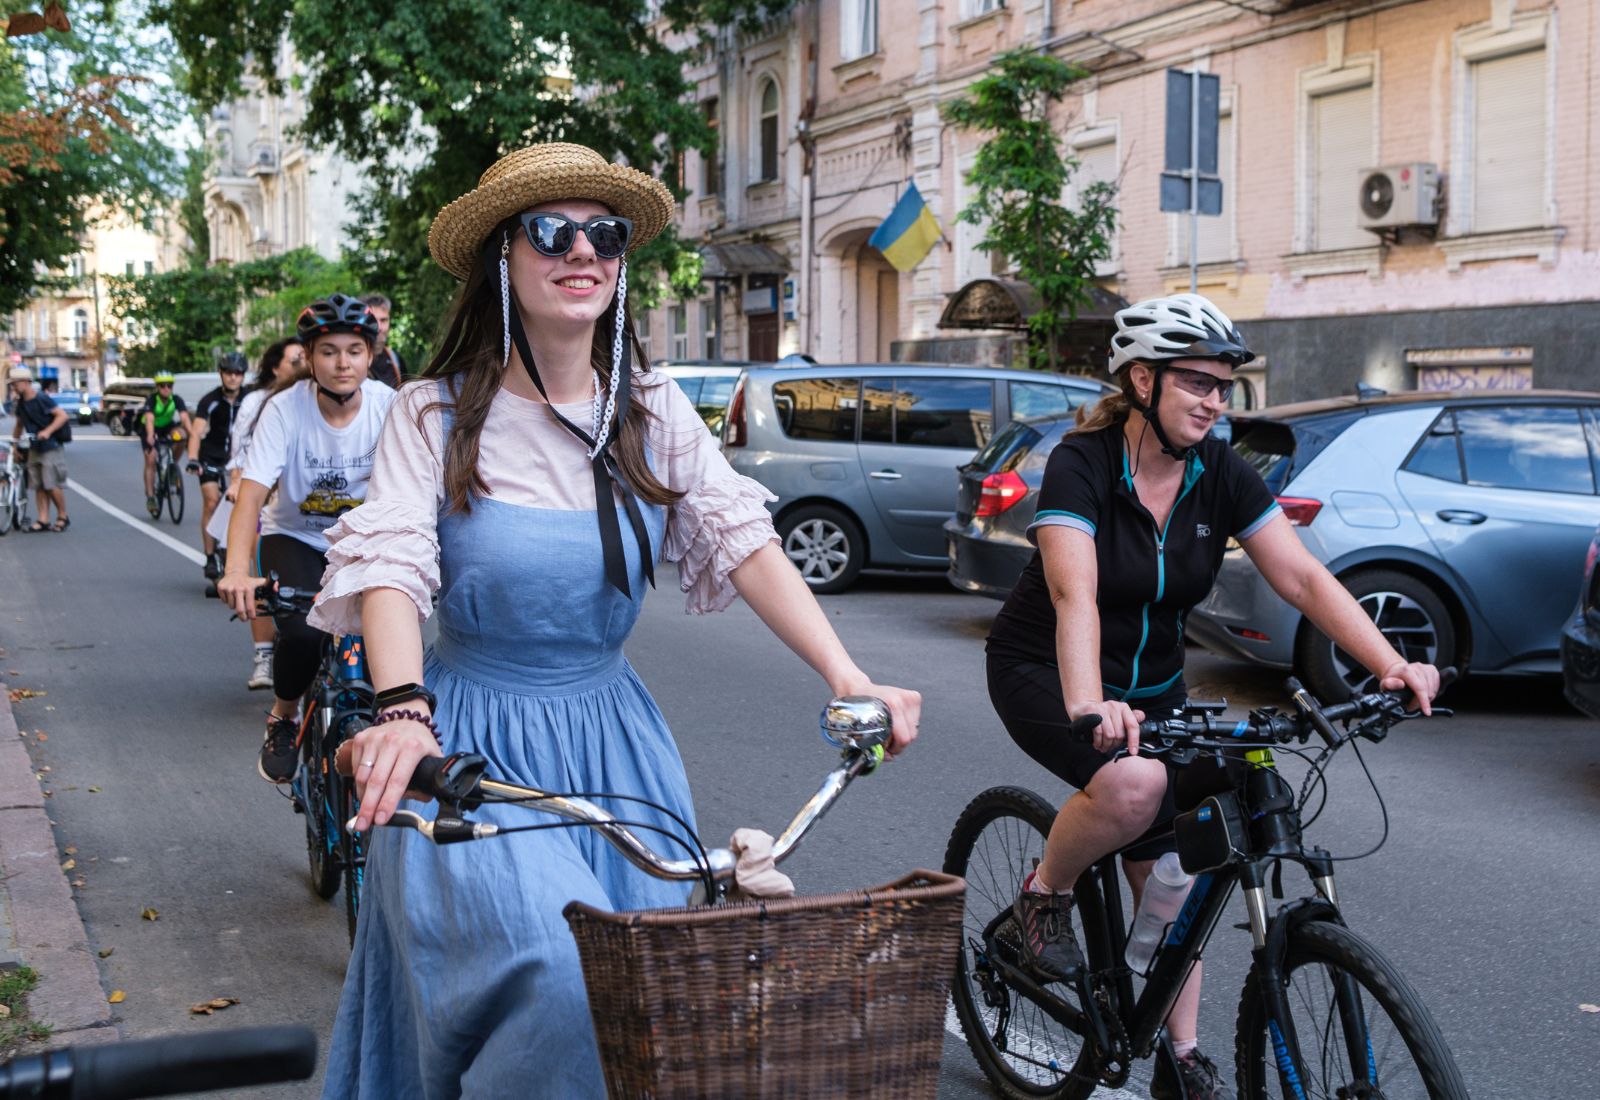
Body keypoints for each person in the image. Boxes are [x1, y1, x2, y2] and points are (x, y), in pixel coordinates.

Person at [303, 142, 922, 1098]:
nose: (580, 248)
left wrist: (849, 678)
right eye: (551, 230)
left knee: (654, 999)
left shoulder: (652, 408)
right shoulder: (431, 415)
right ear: (502, 259)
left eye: (605, 232)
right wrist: (402, 711)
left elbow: (746, 544)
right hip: (467, 749)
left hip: (617, 743)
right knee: (556, 978)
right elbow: (390, 569)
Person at [985, 293, 1442, 1100]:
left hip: (1157, 688)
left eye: (1226, 385)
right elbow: (1074, 594)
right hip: (1048, 672)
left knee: (1192, 841)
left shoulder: (1220, 473)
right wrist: (1091, 702)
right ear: (1141, 381)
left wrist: (1390, 662)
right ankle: (1041, 899)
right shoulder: (1082, 463)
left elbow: (1299, 575)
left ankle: (1179, 1050)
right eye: (1195, 381)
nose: (1214, 400)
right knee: (1134, 785)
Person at [217, 297, 395, 779]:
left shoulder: (389, 406)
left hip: (363, 539)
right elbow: (251, 496)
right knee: (300, 631)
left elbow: (423, 491)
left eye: (354, 350)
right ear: (310, 358)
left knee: (391, 644)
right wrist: (236, 570)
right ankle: (284, 713)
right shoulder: (284, 409)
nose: (343, 363)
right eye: (330, 351)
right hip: (295, 536)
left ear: (370, 354)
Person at [215, 338, 307, 690]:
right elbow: (242, 454)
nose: (302, 366)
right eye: (296, 360)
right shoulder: (260, 402)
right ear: (277, 367)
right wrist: (238, 483)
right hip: (271, 501)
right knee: (265, 577)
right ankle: (265, 653)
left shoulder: (365, 401)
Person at [187, 352, 248, 582]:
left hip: (239, 460)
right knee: (211, 501)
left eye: (238, 374)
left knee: (241, 506)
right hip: (211, 457)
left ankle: (235, 559)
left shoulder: (250, 398)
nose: (233, 378)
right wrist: (193, 458)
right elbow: (196, 431)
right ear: (221, 374)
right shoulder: (209, 400)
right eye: (228, 373)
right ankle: (210, 555)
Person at [6, 365, 70, 531]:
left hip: (51, 446)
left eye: (15, 383)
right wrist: (14, 445)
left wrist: (47, 432)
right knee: (38, 485)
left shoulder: (41, 398)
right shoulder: (20, 402)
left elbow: (62, 415)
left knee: (52, 483)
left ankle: (63, 516)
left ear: (26, 382)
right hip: (34, 446)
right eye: (12, 383)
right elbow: (19, 425)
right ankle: (43, 519)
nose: (13, 386)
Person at [140, 372, 192, 516]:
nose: (166, 388)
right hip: (150, 430)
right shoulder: (152, 400)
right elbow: (149, 419)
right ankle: (151, 496)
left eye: (169, 385)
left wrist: (193, 435)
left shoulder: (176, 399)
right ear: (157, 387)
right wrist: (150, 436)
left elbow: (184, 418)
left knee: (181, 435)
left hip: (167, 427)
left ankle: (171, 468)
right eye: (162, 386)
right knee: (151, 458)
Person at [359, 293, 403, 389]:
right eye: (373, 320)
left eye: (383, 320)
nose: (379, 327)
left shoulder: (395, 359)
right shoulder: (350, 362)